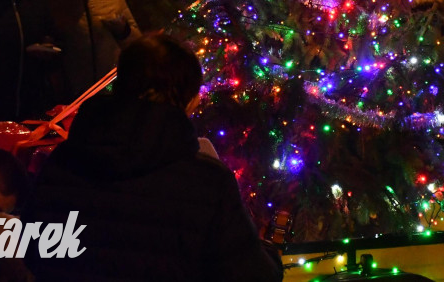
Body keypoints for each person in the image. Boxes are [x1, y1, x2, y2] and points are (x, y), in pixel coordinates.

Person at [26, 34, 283, 281]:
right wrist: (267, 252)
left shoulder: (63, 162)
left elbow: (33, 250)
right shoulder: (206, 182)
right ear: (189, 100)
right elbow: (251, 274)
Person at [46, 0, 139, 101]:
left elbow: (136, 41)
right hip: (74, 91)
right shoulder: (55, 0)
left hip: (111, 87)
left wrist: (123, 30)